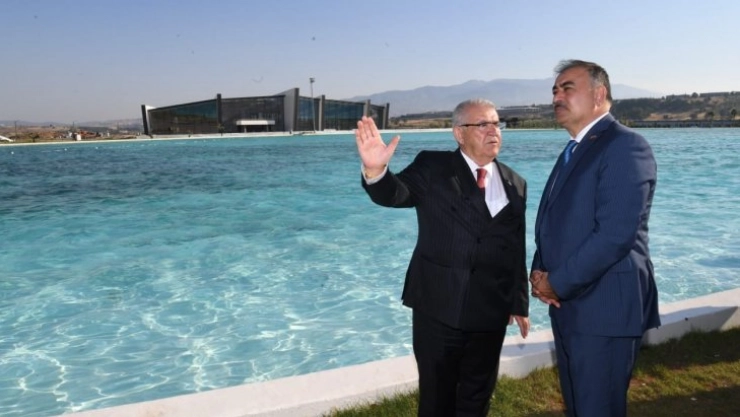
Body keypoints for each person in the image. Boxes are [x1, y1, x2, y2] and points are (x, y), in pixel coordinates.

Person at [355, 99, 530, 417]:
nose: (493, 131)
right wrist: (376, 171)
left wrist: (518, 303)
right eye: (482, 124)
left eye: (496, 123)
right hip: (439, 308)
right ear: (459, 133)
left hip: (491, 311)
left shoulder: (515, 182)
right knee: (437, 400)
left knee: (477, 397)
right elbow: (397, 194)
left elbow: (515, 245)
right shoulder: (433, 167)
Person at [530, 59, 660, 417]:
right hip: (571, 305)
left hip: (605, 309)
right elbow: (557, 221)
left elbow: (615, 235)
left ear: (599, 94)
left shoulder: (624, 146)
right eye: (554, 90)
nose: (556, 97)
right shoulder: (575, 149)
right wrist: (541, 273)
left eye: (567, 88)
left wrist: (557, 282)